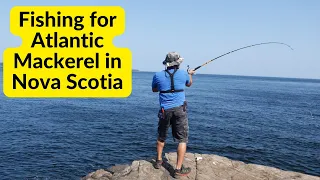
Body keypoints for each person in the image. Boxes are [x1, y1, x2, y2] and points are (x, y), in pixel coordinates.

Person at [151, 51, 195, 177]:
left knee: (161, 136)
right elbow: (189, 84)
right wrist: (190, 74)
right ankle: (177, 169)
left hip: (165, 110)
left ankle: (159, 161)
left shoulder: (158, 75)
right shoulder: (183, 74)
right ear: (178, 63)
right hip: (180, 110)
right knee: (182, 139)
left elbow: (154, 89)